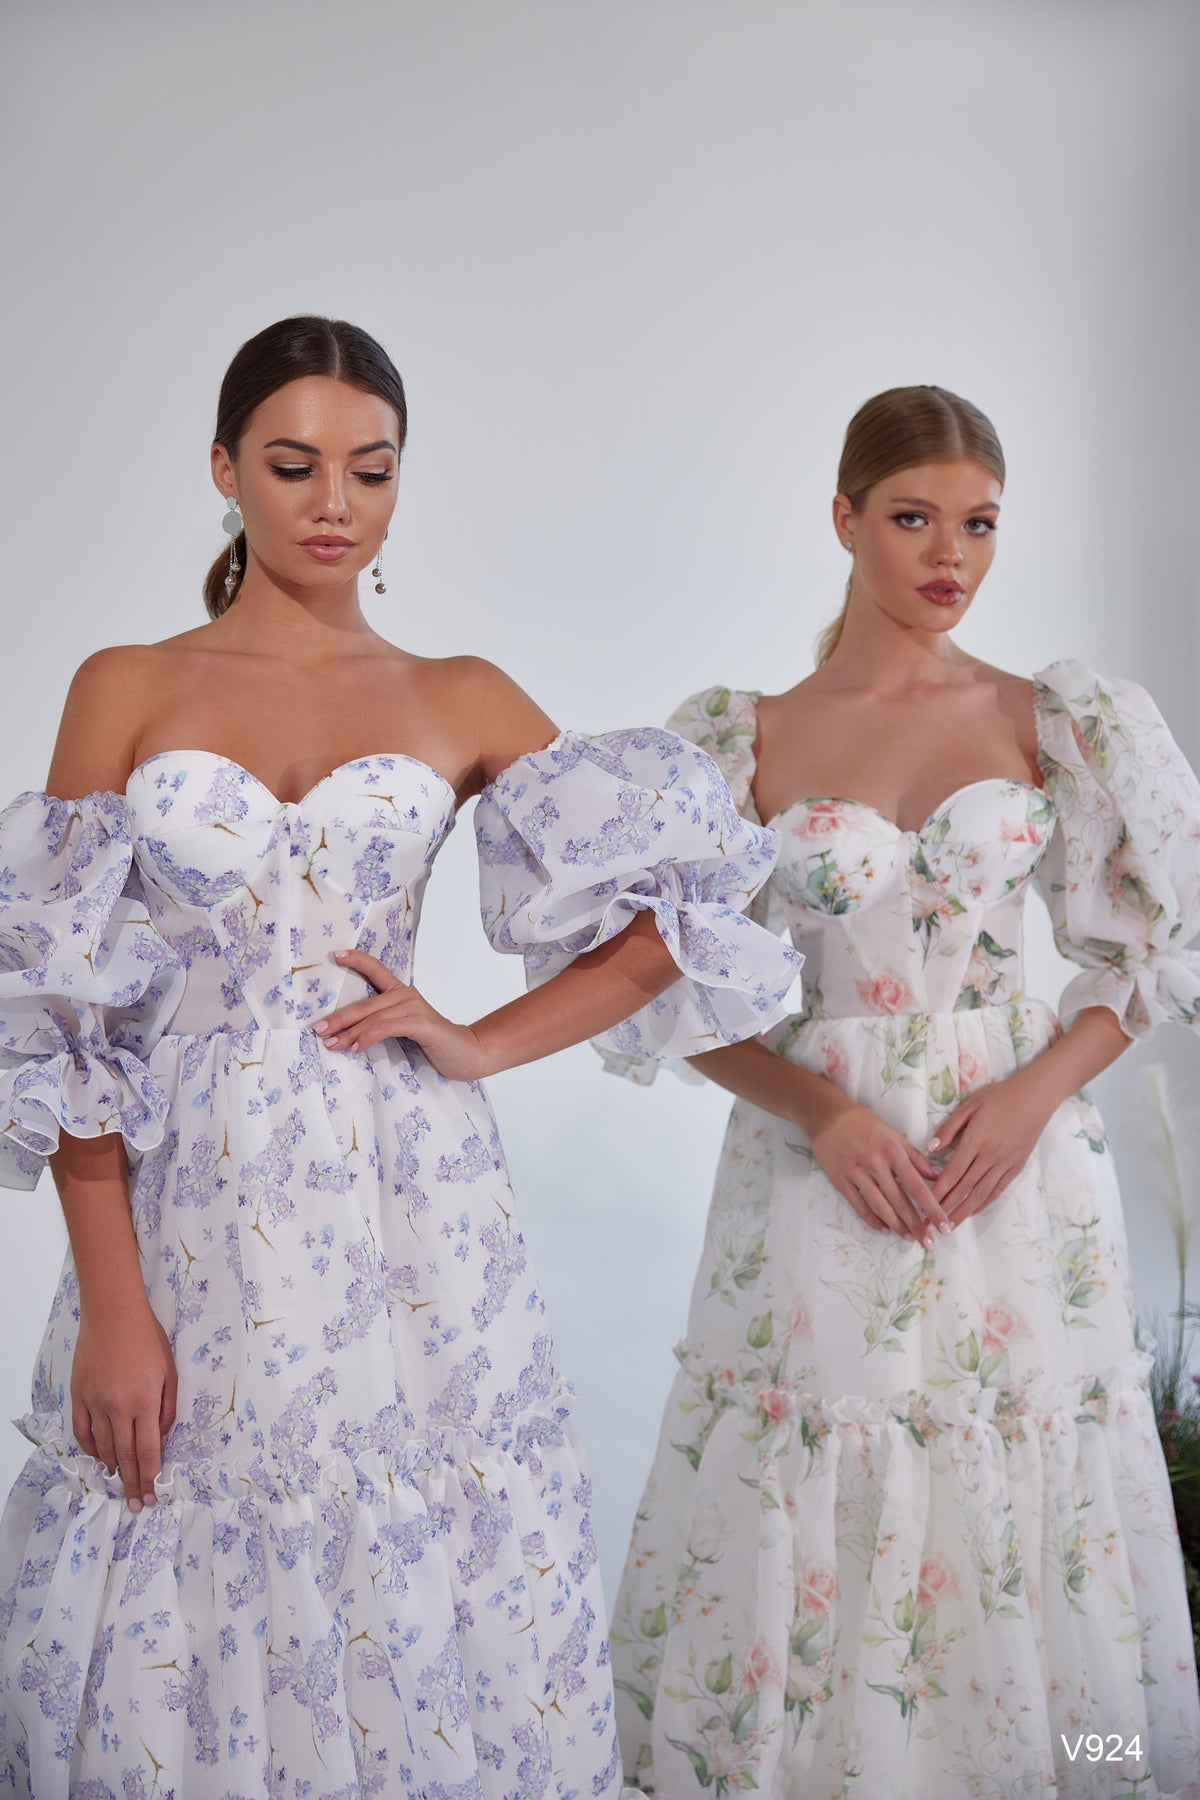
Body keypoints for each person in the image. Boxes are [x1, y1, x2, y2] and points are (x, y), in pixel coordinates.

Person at [0, 316, 803, 1798]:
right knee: (173, 1512)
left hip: (408, 1207)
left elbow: (686, 912)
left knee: (413, 1536)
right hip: (191, 1201)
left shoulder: (459, 693)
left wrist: (481, 1041)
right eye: (293, 465)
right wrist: (113, 1301)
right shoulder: (124, 683)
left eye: (370, 472)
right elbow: (60, 1013)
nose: (334, 504)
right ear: (224, 469)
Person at [608, 386, 1200, 1798]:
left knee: (1028, 1477)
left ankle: (1063, 1767)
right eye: (915, 518)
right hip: (822, 1174)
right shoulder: (741, 737)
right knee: (819, 1469)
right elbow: (664, 990)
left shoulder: (1057, 722)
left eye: (979, 524)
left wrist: (1036, 1095)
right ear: (844, 519)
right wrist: (821, 1110)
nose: (951, 555)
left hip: (1015, 1177)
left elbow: (1148, 952)